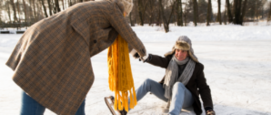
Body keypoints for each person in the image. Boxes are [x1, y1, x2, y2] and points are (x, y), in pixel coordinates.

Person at [5, 0, 146, 115]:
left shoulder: (99, 8)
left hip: (42, 37)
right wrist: (143, 51)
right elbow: (127, 31)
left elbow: (120, 35)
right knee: (77, 81)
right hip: (53, 42)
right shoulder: (113, 7)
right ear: (124, 9)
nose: (124, 17)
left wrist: (133, 51)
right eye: (125, 14)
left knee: (38, 83)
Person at [119, 36, 215, 115]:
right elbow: (160, 60)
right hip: (169, 94)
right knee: (148, 82)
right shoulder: (171, 60)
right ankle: (124, 107)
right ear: (174, 49)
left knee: (178, 85)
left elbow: (204, 88)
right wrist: (147, 57)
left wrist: (208, 108)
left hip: (187, 99)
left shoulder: (197, 67)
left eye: (183, 51)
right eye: (177, 50)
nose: (179, 54)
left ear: (189, 53)